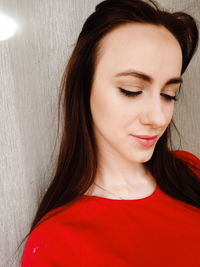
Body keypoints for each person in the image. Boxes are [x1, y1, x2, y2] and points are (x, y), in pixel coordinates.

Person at [21, 0, 200, 266]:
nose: (158, 118)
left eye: (168, 94)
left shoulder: (189, 170)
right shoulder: (55, 244)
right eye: (131, 90)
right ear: (85, 88)